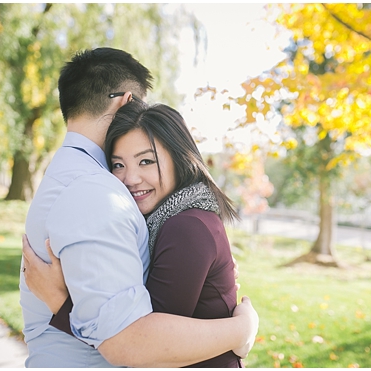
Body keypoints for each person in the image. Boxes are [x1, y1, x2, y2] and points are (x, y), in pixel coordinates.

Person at [18, 47, 258, 368]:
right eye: (119, 164)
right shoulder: (96, 190)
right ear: (128, 102)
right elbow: (137, 343)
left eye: (146, 160)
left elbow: (142, 344)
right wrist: (239, 328)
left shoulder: (181, 224)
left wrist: (240, 330)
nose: (130, 178)